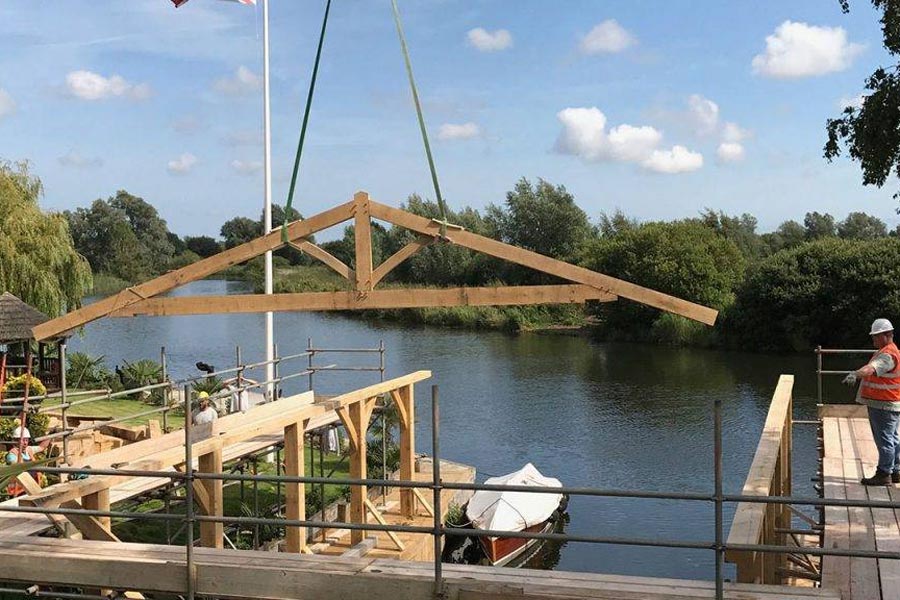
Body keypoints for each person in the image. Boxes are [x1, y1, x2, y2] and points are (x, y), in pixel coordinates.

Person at [843, 318, 900, 485]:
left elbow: (871, 369)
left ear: (886, 335)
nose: (873, 339)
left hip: (883, 404)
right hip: (890, 402)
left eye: (875, 336)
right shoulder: (891, 351)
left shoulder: (887, 355)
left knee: (884, 440)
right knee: (893, 438)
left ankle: (884, 474)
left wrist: (855, 373)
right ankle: (895, 471)